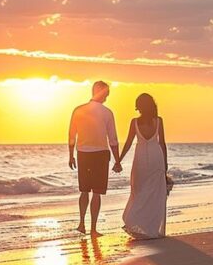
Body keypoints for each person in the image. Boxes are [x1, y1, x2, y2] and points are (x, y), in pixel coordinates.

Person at [68, 81, 121, 236]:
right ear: (102, 93)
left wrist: (71, 155)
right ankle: (93, 229)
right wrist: (117, 160)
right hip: (100, 154)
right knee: (96, 192)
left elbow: (72, 134)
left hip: (83, 153)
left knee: (84, 190)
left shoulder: (78, 110)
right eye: (107, 93)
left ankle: (81, 224)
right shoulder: (107, 112)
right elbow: (113, 140)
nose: (107, 97)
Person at [117, 93, 168, 239]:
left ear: (139, 106)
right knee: (154, 194)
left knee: (139, 191)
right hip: (156, 157)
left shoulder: (134, 122)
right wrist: (165, 164)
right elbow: (162, 144)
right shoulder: (158, 121)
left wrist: (119, 160)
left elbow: (128, 143)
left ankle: (135, 220)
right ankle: (150, 227)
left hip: (140, 159)